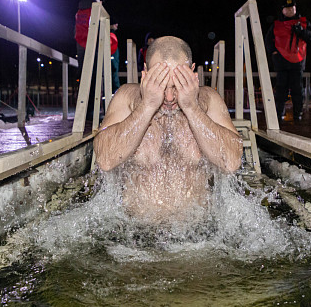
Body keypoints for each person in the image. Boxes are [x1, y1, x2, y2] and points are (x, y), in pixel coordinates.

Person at [93, 36, 242, 225]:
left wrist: (191, 107)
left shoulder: (208, 100)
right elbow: (105, 160)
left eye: (177, 85)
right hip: (135, 236)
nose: (170, 97)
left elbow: (231, 162)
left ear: (192, 72)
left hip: (197, 237)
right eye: (161, 85)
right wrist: (147, 105)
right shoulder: (127, 97)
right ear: (146, 73)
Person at [264, 0, 311, 122]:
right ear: (282, 10)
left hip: (297, 62)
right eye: (287, 8)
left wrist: (302, 32)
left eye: (292, 8)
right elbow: (268, 40)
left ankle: (298, 114)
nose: (290, 10)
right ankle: (278, 113)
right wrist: (273, 52)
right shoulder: (276, 24)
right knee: (281, 89)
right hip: (281, 62)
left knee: (297, 89)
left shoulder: (303, 22)